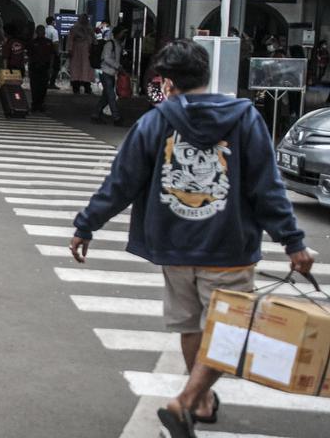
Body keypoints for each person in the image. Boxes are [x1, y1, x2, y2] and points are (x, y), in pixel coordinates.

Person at [67, 40, 314, 438]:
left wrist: (86, 225)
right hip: (229, 248)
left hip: (174, 246)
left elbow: (121, 182)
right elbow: (267, 188)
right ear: (206, 75)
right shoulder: (244, 118)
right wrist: (293, 242)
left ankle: (198, 399)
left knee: (191, 327)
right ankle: (187, 401)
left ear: (167, 82)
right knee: (226, 333)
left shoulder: (154, 122)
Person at [92, 27, 126, 126]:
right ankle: (116, 117)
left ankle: (95, 115)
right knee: (111, 96)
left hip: (111, 73)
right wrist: (118, 66)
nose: (124, 36)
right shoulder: (109, 44)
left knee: (106, 97)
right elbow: (106, 58)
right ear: (118, 34)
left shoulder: (118, 45)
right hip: (106, 72)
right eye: (123, 33)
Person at [28, 25, 54, 113]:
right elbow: (30, 56)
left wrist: (50, 67)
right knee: (35, 87)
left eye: (42, 31)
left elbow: (51, 55)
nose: (40, 33)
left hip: (45, 67)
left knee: (43, 87)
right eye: (39, 31)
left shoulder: (49, 42)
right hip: (35, 67)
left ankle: (41, 103)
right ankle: (35, 104)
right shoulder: (32, 43)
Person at [68, 14, 96, 94]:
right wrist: (70, 49)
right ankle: (75, 86)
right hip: (77, 51)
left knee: (87, 68)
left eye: (86, 18)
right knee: (76, 68)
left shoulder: (90, 28)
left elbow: (94, 38)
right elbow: (70, 39)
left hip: (88, 51)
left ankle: (87, 86)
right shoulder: (74, 28)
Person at [43, 15, 61, 88]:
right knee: (55, 68)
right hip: (52, 53)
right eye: (54, 21)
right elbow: (55, 43)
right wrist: (57, 53)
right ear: (52, 22)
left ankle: (45, 82)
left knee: (46, 68)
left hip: (43, 52)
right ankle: (52, 83)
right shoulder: (54, 31)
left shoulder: (44, 29)